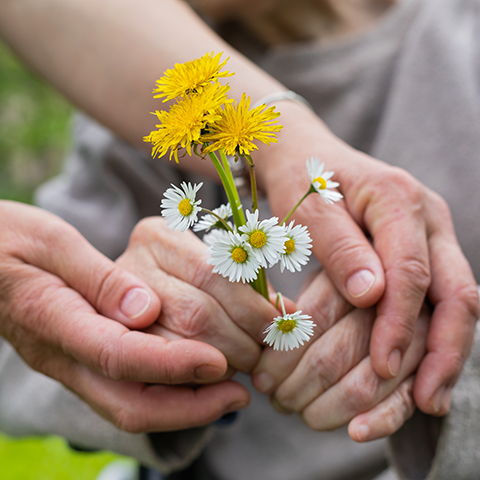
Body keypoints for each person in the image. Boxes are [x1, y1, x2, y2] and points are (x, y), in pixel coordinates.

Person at [0, 0, 478, 479]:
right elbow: (17, 350)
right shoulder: (133, 105)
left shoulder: (462, 34)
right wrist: (138, 332)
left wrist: (448, 364)